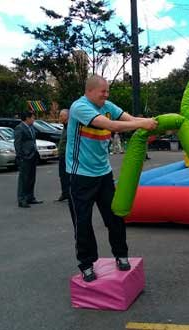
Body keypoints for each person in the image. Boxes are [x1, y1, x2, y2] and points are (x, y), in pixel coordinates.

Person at [66, 75, 157, 282]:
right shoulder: (79, 107)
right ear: (89, 91)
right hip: (80, 175)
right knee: (83, 222)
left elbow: (128, 118)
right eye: (103, 92)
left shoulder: (108, 105)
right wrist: (144, 123)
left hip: (103, 173)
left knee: (115, 216)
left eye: (107, 92)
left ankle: (121, 254)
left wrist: (148, 123)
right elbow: (111, 125)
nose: (106, 95)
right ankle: (87, 264)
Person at [14, 112, 43, 208]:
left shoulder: (31, 127)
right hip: (25, 156)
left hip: (33, 155)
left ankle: (30, 197)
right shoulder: (20, 128)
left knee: (31, 178)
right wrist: (20, 156)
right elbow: (17, 143)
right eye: (33, 118)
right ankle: (22, 199)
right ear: (27, 118)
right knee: (24, 179)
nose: (33, 120)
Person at [57, 109, 70, 202]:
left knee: (68, 175)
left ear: (67, 116)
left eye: (62, 115)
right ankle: (65, 193)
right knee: (62, 175)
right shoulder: (65, 127)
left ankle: (69, 193)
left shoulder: (70, 127)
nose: (60, 117)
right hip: (62, 155)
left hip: (67, 156)